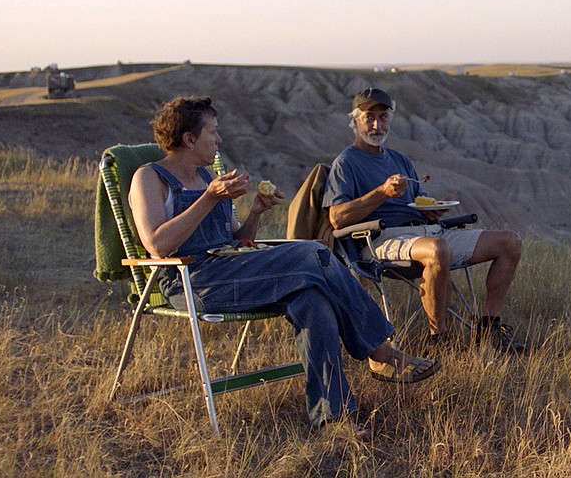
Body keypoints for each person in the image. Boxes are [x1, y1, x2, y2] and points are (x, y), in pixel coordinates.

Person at [128, 95, 439, 438]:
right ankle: (378, 350)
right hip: (193, 282)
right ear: (189, 139)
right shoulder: (149, 178)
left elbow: (238, 241)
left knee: (312, 299)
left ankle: (331, 418)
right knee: (314, 252)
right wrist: (210, 198)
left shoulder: (206, 178)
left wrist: (256, 212)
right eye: (213, 133)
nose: (219, 140)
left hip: (233, 271)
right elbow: (156, 244)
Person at [323, 88, 525, 353]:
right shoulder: (346, 163)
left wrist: (433, 209)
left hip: (428, 231)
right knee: (437, 249)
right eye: (369, 117)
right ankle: (437, 340)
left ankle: (488, 328)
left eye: (383, 117)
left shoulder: (399, 160)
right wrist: (382, 193)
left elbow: (419, 202)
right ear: (355, 121)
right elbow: (337, 218)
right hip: (381, 239)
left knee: (510, 242)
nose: (376, 124)